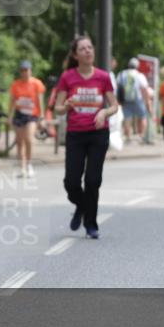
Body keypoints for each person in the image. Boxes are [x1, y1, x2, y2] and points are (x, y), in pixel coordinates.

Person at [53, 36, 118, 239]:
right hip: (76, 134)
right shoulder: (67, 77)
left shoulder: (103, 77)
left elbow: (114, 106)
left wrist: (104, 112)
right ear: (75, 55)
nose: (88, 51)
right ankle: (81, 206)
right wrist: (66, 106)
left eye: (90, 47)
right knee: (71, 183)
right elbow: (57, 108)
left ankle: (91, 224)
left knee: (92, 180)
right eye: (82, 49)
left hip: (98, 133)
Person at [8, 60, 46, 178]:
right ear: (20, 72)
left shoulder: (37, 83)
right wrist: (10, 116)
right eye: (22, 70)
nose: (25, 73)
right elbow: (12, 101)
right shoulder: (15, 84)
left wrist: (42, 117)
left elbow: (40, 101)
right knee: (20, 142)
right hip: (19, 114)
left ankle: (29, 164)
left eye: (27, 70)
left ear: (30, 71)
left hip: (32, 115)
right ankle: (22, 167)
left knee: (29, 139)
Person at [117, 57, 152, 144]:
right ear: (137, 66)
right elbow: (144, 89)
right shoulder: (139, 75)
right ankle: (141, 136)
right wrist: (148, 102)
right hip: (138, 100)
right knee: (142, 116)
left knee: (127, 118)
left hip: (125, 100)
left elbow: (118, 88)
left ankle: (128, 137)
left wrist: (118, 100)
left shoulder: (121, 74)